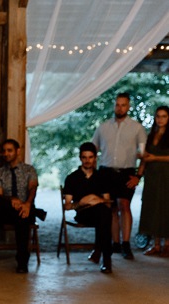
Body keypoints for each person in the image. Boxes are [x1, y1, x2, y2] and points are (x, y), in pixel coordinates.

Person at [92, 92, 147, 260]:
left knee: (124, 205)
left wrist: (138, 176)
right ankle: (114, 243)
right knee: (111, 208)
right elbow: (93, 150)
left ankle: (125, 244)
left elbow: (144, 155)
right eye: (117, 104)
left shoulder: (137, 128)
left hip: (126, 173)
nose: (120, 107)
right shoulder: (103, 127)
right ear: (114, 105)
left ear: (128, 107)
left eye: (123, 105)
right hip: (105, 172)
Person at [0, 139, 44, 274]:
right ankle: (25, 209)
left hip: (25, 210)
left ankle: (22, 263)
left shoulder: (29, 170)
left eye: (9, 150)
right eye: (4, 151)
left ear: (17, 151)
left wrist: (27, 204)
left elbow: (33, 188)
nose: (6, 154)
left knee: (22, 217)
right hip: (6, 210)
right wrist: (12, 199)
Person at [63, 142, 113, 273]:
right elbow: (67, 206)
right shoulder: (72, 178)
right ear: (80, 158)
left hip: (100, 212)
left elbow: (108, 202)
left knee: (104, 212)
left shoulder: (102, 177)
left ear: (95, 158)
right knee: (105, 216)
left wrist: (97, 199)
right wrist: (82, 202)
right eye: (84, 157)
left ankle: (104, 257)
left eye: (90, 157)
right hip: (83, 214)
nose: (87, 160)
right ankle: (102, 253)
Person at [137, 105, 169, 256]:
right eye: (158, 116)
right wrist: (139, 174)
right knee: (153, 207)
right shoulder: (151, 135)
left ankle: (167, 244)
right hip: (152, 176)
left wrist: (156, 158)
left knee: (166, 207)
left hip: (166, 175)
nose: (160, 119)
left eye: (164, 116)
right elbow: (145, 157)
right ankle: (156, 245)